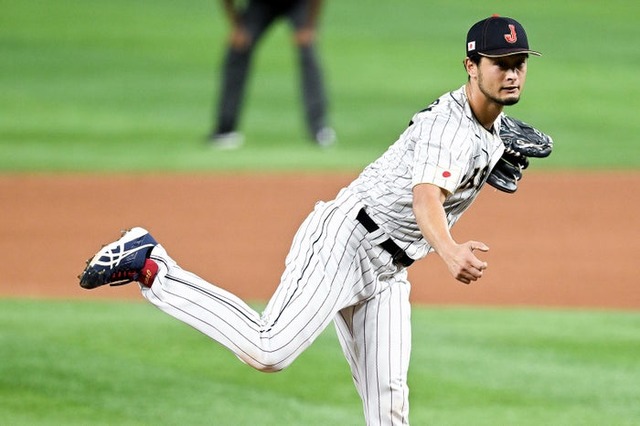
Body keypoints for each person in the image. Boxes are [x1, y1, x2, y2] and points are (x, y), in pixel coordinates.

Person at [80, 16, 542, 425]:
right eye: (500, 63)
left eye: (519, 62)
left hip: (388, 271)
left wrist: (490, 156)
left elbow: (474, 154)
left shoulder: (492, 128)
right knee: (269, 350)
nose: (512, 73)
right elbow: (426, 201)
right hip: (346, 240)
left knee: (389, 408)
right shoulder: (448, 129)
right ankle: (153, 265)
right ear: (471, 66)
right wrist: (450, 251)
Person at [210, 0, 335, 149]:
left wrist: (310, 26)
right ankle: (225, 129)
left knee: (308, 53)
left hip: (298, 3)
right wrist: (237, 27)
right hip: (260, 5)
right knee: (237, 50)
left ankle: (319, 129)